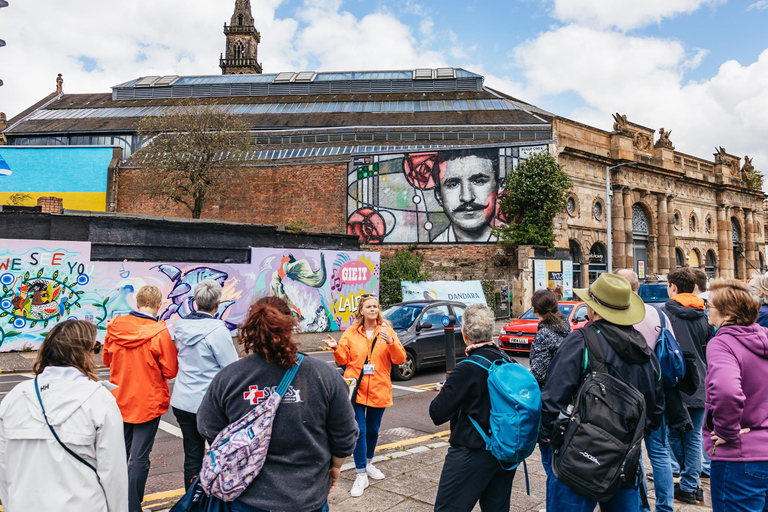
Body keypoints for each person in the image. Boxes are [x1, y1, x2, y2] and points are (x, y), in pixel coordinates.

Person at [198, 297, 358, 512]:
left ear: (251, 329)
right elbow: (345, 433)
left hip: (245, 498)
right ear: (291, 327)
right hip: (307, 498)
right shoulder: (324, 375)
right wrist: (336, 468)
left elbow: (208, 427)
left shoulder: (228, 378)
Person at [540, 273, 663, 510]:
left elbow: (553, 397)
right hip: (623, 462)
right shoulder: (647, 352)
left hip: (578, 457)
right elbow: (655, 411)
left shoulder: (581, 342)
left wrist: (549, 434)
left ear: (595, 311)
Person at [0, 320, 128, 512]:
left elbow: (4, 468)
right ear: (83, 352)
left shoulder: (14, 398)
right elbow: (113, 477)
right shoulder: (99, 400)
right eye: (96, 348)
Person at [429, 303, 518, 511]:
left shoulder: (466, 369)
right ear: (491, 331)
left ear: (464, 333)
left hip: (471, 453)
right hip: (504, 451)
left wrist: (445, 391)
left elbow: (437, 413)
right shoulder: (507, 360)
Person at [103, 285, 179, 512]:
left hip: (119, 398)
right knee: (139, 458)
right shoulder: (159, 332)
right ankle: (132, 507)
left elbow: (107, 360)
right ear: (158, 305)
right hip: (148, 401)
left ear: (137, 303)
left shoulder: (114, 328)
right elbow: (170, 370)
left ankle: (112, 503)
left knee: (118, 455)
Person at [323, 294, 407, 497]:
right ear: (361, 310)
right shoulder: (351, 333)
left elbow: (400, 358)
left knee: (373, 430)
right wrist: (335, 348)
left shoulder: (387, 331)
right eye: (368, 306)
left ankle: (369, 462)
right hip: (356, 389)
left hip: (379, 387)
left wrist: (391, 343)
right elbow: (344, 359)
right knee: (359, 430)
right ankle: (361, 474)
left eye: (375, 306)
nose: (372, 309)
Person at [703, 279, 768, 511]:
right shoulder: (764, 336)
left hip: (740, 458)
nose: (706, 309)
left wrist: (725, 430)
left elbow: (727, 391)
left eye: (709, 305)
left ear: (727, 315)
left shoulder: (722, 344)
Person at [170, 279, 239, 490]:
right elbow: (232, 369)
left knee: (192, 456)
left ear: (195, 302)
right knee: (220, 455)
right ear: (217, 304)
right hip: (209, 406)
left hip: (182, 402)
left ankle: (192, 501)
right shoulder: (218, 332)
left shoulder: (178, 328)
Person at [616, 269, 675, 512]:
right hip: (655, 393)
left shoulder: (615, 315)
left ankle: (640, 505)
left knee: (633, 453)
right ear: (638, 287)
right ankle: (665, 506)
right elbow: (673, 350)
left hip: (624, 394)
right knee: (660, 452)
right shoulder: (658, 314)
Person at [662, 268, 714, 504]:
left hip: (674, 383)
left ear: (673, 287)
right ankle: (690, 484)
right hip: (699, 383)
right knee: (693, 437)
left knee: (673, 433)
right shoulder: (704, 316)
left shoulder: (666, 315)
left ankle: (688, 482)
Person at [528, 289, 571, 479]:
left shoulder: (544, 334)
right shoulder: (566, 328)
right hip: (569, 399)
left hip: (549, 404)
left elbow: (539, 372)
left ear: (535, 310)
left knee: (548, 461)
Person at [430, 148, 502, 242]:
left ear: (499, 187)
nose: (467, 197)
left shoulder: (515, 239)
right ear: (439, 196)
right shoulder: (434, 246)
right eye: (453, 185)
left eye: (479, 181)